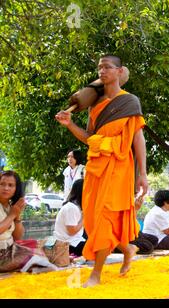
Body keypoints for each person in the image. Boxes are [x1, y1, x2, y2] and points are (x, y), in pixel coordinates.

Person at [55, 55, 148, 287]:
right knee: (95, 221)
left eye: (107, 67)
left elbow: (138, 138)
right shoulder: (95, 105)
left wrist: (142, 173)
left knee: (106, 216)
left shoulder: (130, 102)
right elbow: (89, 138)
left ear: (120, 72)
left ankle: (95, 274)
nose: (102, 71)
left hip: (119, 167)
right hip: (96, 167)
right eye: (99, 68)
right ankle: (128, 248)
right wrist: (70, 125)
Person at [0, 171, 56, 272]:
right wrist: (12, 215)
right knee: (36, 257)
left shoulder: (10, 206)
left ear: (16, 189)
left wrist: (17, 216)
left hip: (9, 250)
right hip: (2, 255)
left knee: (40, 250)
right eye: (2, 184)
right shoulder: (11, 209)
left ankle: (29, 267)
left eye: (10, 185)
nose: (6, 188)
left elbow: (18, 237)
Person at [53, 179, 86, 256]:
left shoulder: (75, 207)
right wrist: (84, 218)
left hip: (74, 241)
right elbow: (72, 231)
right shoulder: (71, 208)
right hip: (68, 244)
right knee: (97, 247)